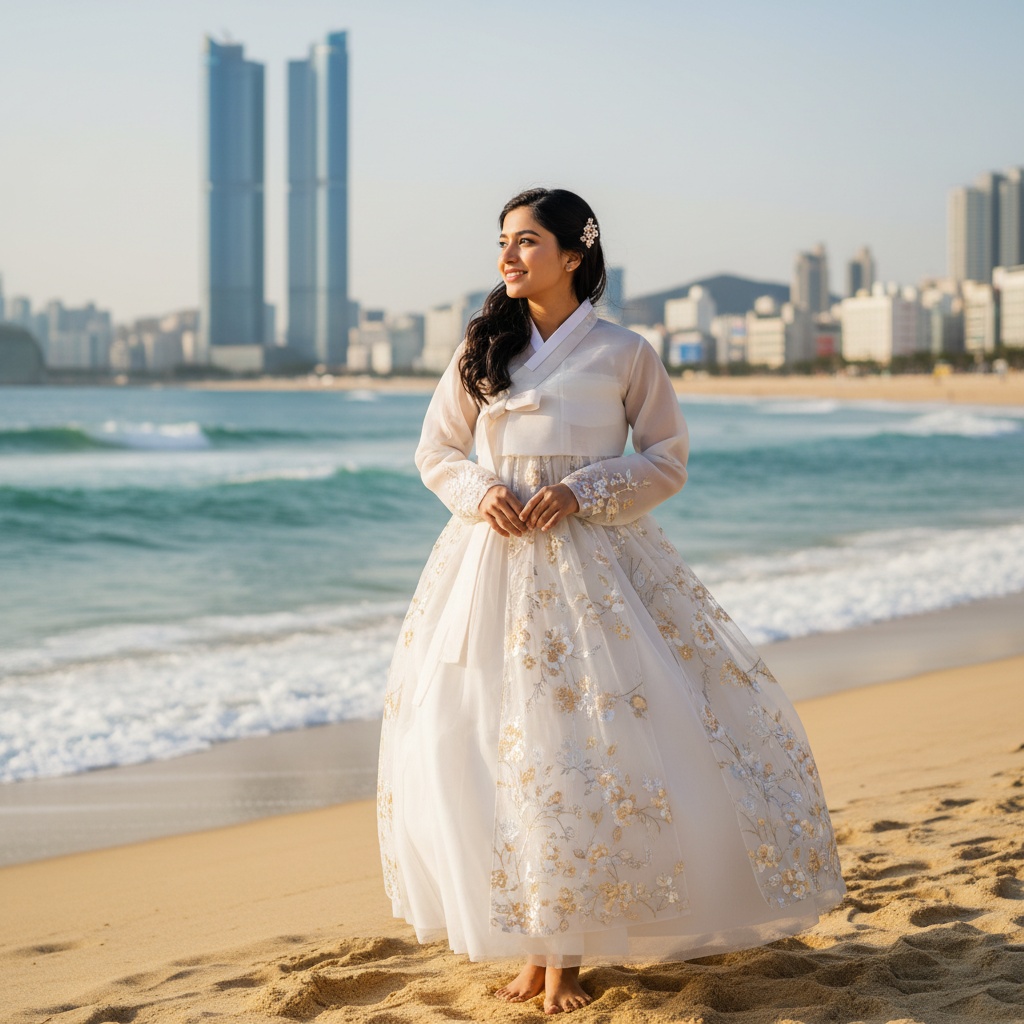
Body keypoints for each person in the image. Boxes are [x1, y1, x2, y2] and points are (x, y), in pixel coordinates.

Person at [376, 188, 845, 1015]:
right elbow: (435, 449)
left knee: (585, 745)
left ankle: (569, 959)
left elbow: (667, 457)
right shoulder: (481, 351)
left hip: (598, 569)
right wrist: (480, 490)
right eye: (502, 244)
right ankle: (530, 945)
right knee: (489, 738)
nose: (508, 258)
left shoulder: (626, 352)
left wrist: (587, 488)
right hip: (491, 562)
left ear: (574, 252)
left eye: (526, 242)